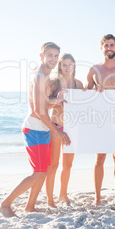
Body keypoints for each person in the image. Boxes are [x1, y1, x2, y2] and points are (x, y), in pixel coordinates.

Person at [0, 42, 71, 217]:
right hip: (35, 128)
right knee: (39, 173)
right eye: (50, 55)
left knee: (42, 171)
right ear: (41, 56)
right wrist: (58, 132)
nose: (53, 59)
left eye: (56, 56)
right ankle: (5, 204)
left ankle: (30, 206)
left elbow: (42, 101)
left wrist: (55, 100)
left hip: (41, 128)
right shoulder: (40, 76)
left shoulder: (43, 76)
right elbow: (39, 111)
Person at [86, 34, 115, 205]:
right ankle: (97, 197)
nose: (109, 48)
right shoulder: (94, 69)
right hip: (101, 118)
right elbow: (86, 95)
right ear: (102, 48)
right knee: (99, 158)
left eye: (112, 45)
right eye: (106, 45)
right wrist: (95, 91)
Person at [46, 53, 83, 207]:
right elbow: (44, 104)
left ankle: (63, 195)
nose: (68, 67)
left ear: (74, 66)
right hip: (56, 126)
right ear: (60, 66)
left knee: (67, 165)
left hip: (72, 127)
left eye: (70, 64)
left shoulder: (78, 84)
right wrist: (57, 101)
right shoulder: (53, 83)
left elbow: (85, 104)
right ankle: (49, 199)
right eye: (65, 65)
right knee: (53, 164)